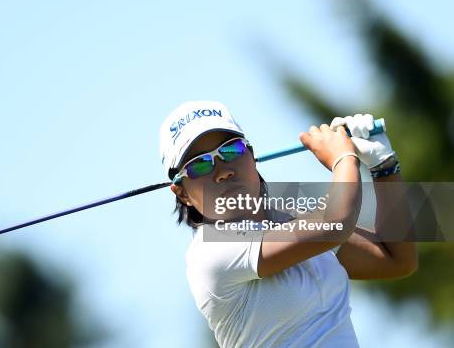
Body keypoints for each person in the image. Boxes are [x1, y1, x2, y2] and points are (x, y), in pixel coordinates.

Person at [159, 101, 417, 348]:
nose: (223, 170)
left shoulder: (291, 220)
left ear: (251, 155)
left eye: (231, 150)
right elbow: (334, 224)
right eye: (200, 165)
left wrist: (383, 166)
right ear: (182, 193)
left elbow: (396, 259)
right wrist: (343, 159)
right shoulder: (210, 250)